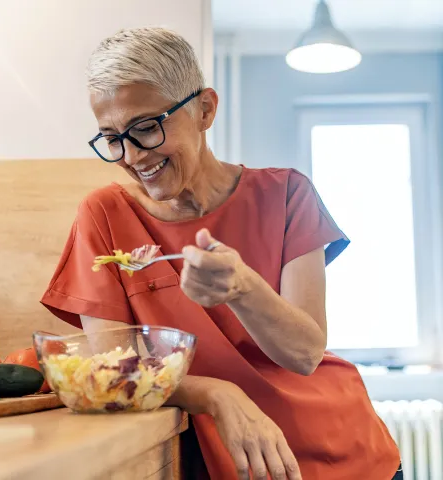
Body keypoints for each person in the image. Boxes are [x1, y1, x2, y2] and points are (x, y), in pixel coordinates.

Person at [41, 27, 403, 480]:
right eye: (112, 137)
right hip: (237, 460)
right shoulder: (104, 215)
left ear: (205, 109)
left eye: (147, 127)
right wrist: (217, 394)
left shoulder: (287, 194)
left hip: (348, 452)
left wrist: (243, 287)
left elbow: (306, 353)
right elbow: (118, 375)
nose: (131, 156)